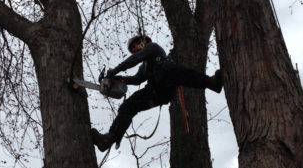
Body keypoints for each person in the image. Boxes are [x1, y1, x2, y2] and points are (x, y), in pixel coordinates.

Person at [91, 35, 223, 152]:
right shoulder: (145, 66)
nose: (135, 50)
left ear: (142, 41)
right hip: (155, 92)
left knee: (170, 71)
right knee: (127, 106)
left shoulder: (153, 48)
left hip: (166, 78)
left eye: (136, 46)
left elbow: (135, 59)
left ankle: (209, 82)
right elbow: (137, 80)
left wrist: (114, 70)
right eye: (132, 49)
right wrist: (120, 79)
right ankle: (109, 139)